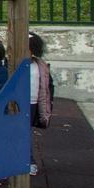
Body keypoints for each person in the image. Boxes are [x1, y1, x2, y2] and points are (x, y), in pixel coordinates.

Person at [28, 32, 54, 175]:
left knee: (25, 132)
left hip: (32, 103)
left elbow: (47, 87)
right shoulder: (13, 64)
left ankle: (29, 161)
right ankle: (26, 160)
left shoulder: (40, 67)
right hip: (17, 102)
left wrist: (46, 105)